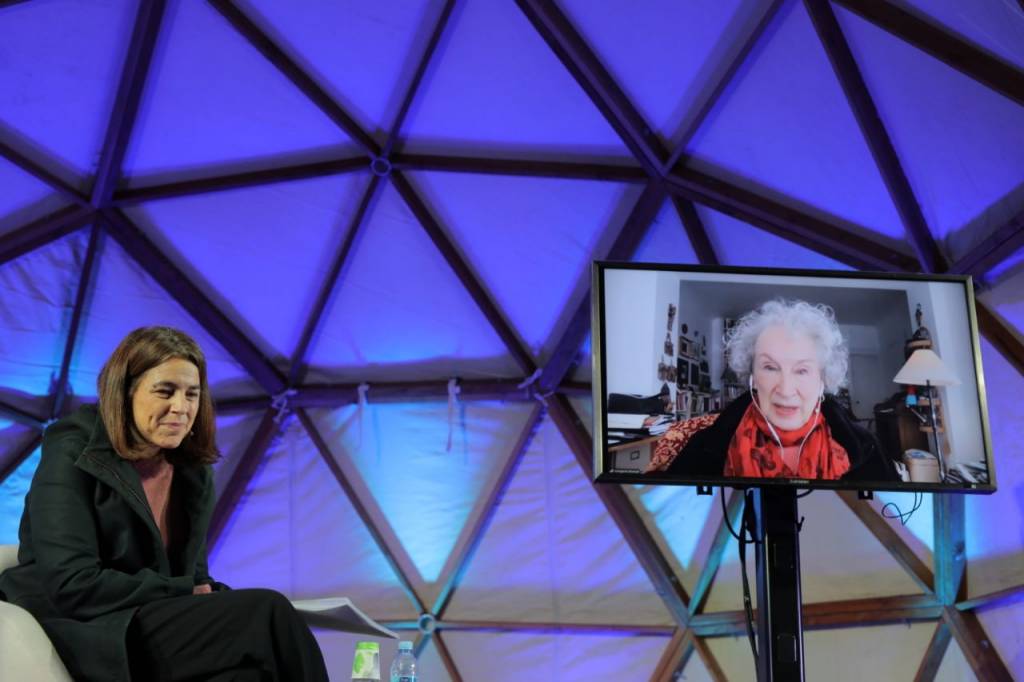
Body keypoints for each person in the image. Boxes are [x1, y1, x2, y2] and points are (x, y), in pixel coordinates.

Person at [0, 326, 328, 681]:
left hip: (150, 620)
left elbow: (194, 578)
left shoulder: (192, 471)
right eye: (165, 391)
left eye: (192, 394)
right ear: (125, 392)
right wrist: (181, 590)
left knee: (248, 675)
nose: (181, 408)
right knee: (268, 611)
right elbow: (71, 584)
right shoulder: (73, 448)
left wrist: (206, 592)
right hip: (82, 628)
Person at [647, 300, 898, 482]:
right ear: (753, 378)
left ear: (823, 381)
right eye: (770, 367)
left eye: (801, 371)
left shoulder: (866, 449)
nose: (786, 390)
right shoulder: (704, 448)